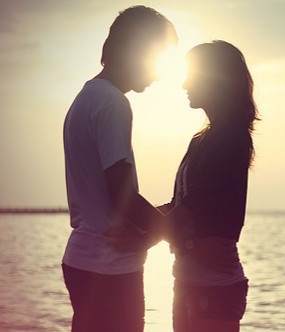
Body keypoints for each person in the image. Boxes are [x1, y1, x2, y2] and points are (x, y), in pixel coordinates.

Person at [62, 7, 234, 332]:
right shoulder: (112, 103)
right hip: (110, 266)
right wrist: (175, 236)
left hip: (81, 260)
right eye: (157, 62)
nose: (157, 76)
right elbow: (121, 192)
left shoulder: (85, 98)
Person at [166, 40, 259, 332]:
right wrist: (128, 219)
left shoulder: (232, 136)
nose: (183, 84)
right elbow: (179, 205)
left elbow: (193, 208)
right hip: (186, 279)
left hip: (215, 286)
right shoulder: (200, 140)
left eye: (191, 75)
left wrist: (139, 237)